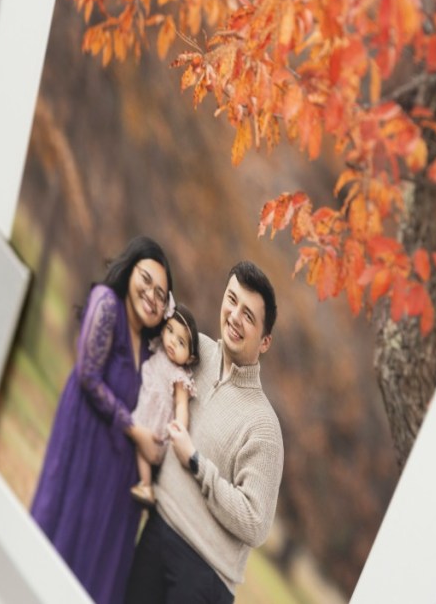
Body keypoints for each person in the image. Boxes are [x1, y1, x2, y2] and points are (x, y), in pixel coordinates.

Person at [125, 261, 284, 604]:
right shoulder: (192, 353)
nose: (234, 317)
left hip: (204, 576)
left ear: (265, 341)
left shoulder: (264, 427)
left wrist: (196, 464)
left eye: (249, 316)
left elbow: (256, 524)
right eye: (232, 300)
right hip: (156, 531)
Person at [31, 236, 173, 604]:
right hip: (84, 450)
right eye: (147, 280)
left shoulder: (153, 351)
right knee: (64, 541)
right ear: (129, 271)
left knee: (96, 570)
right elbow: (87, 374)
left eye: (162, 294)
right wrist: (134, 430)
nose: (152, 296)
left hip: (115, 480)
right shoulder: (107, 304)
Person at [129, 301, 200, 508]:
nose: (171, 342)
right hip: (144, 412)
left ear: (190, 358)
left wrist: (180, 426)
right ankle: (145, 484)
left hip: (155, 427)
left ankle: (146, 485)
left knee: (142, 450)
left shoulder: (179, 376)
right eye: (170, 331)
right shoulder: (158, 350)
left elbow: (181, 405)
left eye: (181, 343)